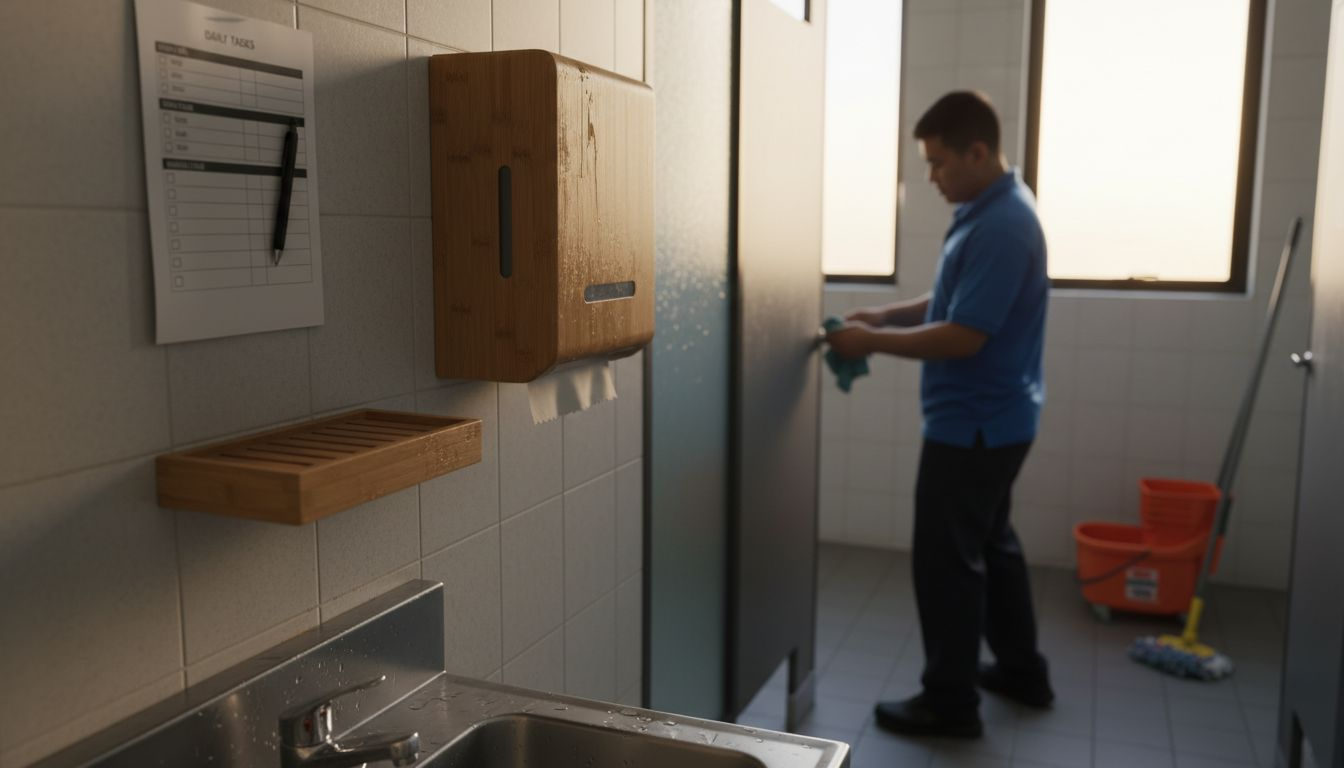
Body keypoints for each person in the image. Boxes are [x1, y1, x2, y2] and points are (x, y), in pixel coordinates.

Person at [825, 90, 1053, 739]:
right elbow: (956, 301)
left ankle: (950, 703)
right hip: (999, 420)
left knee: (946, 563)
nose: (930, 176)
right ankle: (1022, 672)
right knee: (992, 547)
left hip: (973, 427)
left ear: (976, 152)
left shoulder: (1003, 225)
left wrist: (870, 342)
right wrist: (886, 315)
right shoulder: (992, 209)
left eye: (937, 162)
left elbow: (963, 335)